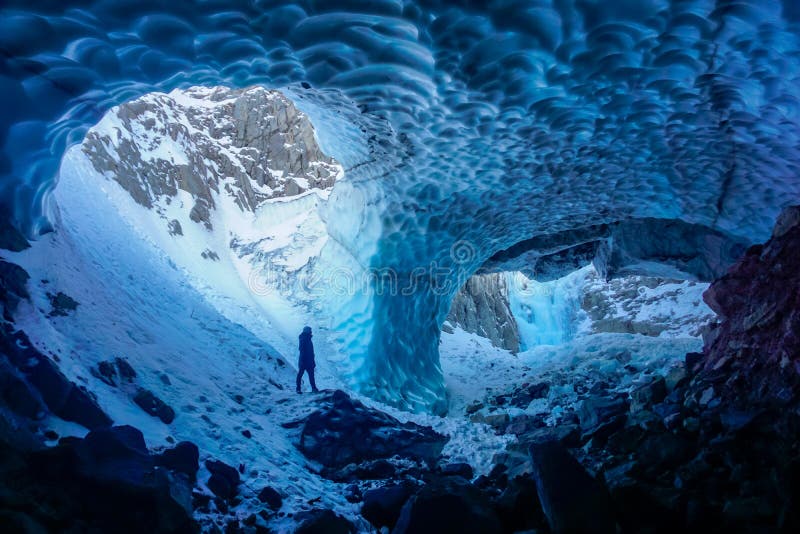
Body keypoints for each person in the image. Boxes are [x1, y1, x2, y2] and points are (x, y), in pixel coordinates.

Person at [296, 326, 319, 393]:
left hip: (308, 361)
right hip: (305, 361)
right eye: (310, 330)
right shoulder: (304, 338)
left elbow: (311, 352)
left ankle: (313, 388)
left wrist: (312, 361)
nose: (311, 332)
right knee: (302, 374)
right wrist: (303, 361)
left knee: (308, 375)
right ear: (307, 331)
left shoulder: (307, 338)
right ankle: (298, 389)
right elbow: (302, 350)